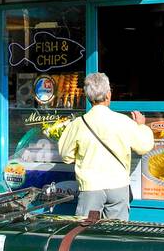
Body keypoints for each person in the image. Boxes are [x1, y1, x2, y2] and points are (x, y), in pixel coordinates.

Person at [57, 71, 153, 221]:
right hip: (118, 186)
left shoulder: (78, 124)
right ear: (108, 95)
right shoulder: (123, 121)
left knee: (86, 234)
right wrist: (142, 126)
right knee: (115, 235)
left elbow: (66, 156)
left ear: (88, 97)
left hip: (91, 188)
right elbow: (144, 146)